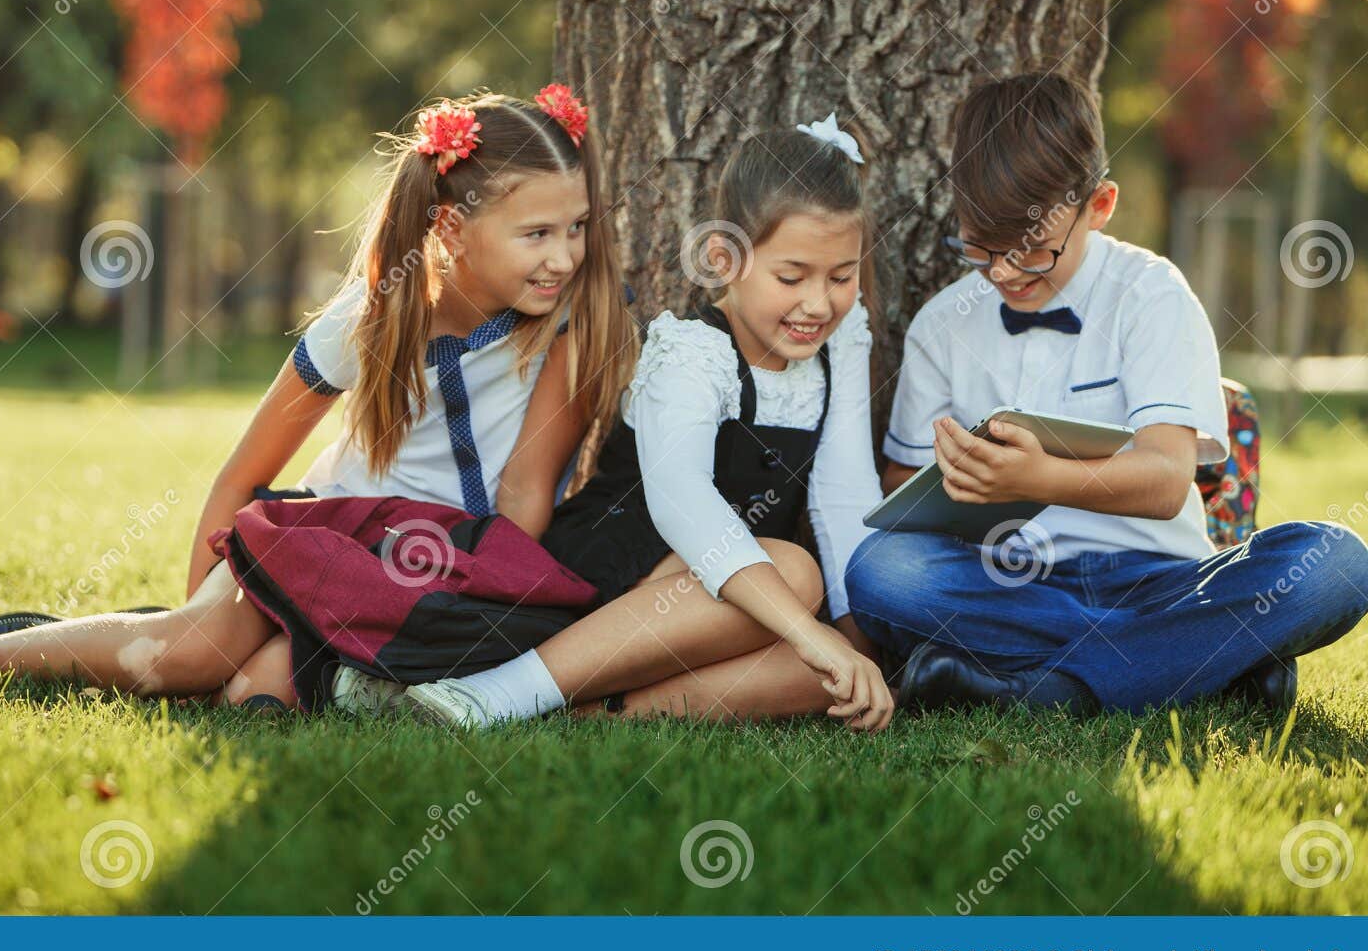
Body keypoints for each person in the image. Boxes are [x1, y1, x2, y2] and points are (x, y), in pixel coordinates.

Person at [0, 87, 639, 711]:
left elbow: (523, 503)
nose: (564, 256)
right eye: (537, 234)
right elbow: (245, 476)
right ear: (451, 230)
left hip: (447, 569)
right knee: (197, 652)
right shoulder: (371, 320)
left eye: (576, 229)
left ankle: (116, 650)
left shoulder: (561, 326)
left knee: (251, 698)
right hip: (328, 536)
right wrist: (200, 603)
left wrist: (460, 602)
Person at [844, 71, 1368, 715]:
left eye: (1032, 250)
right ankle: (1204, 665)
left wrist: (1037, 478)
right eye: (981, 249)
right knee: (881, 571)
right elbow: (903, 478)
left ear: (1099, 205)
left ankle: (1045, 690)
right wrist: (962, 477)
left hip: (1159, 581)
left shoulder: (1152, 295)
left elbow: (1165, 482)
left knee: (1337, 561)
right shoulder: (943, 324)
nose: (1005, 273)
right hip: (1009, 589)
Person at [394, 111, 893, 731]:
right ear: (724, 258)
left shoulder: (842, 343)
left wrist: (852, 645)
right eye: (792, 277)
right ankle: (500, 692)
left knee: (819, 670)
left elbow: (843, 500)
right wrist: (806, 629)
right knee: (793, 575)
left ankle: (592, 711)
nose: (819, 304)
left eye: (842, 277)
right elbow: (683, 502)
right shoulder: (690, 353)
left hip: (720, 601)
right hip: (613, 573)